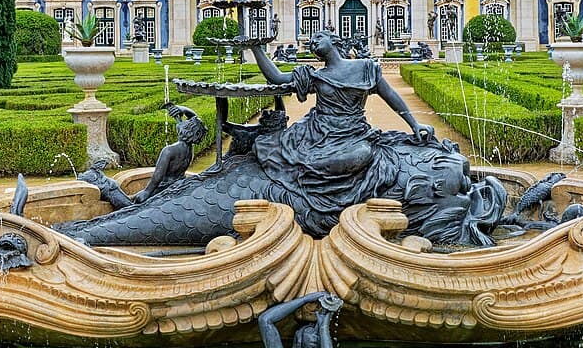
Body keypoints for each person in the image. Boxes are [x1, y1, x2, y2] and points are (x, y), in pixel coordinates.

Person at [248, 27, 434, 233]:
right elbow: (276, 77)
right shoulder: (314, 75)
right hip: (315, 133)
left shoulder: (365, 67)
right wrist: (256, 48)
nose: (313, 42)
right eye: (311, 41)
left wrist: (414, 124)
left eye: (319, 37)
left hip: (352, 133)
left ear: (335, 41)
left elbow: (390, 95)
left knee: (362, 154)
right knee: (272, 148)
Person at [132, 104, 207, 203]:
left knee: (130, 200)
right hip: (177, 185)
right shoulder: (189, 149)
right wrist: (182, 109)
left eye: (186, 122)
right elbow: (197, 121)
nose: (182, 121)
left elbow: (158, 176)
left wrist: (147, 192)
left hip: (163, 189)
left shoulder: (169, 150)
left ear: (187, 131)